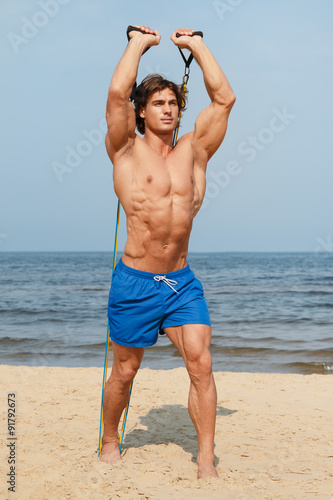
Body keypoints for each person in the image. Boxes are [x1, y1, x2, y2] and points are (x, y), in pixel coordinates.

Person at [101, 25, 235, 479]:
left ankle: (204, 460)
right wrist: (138, 43)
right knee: (124, 372)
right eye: (157, 103)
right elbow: (117, 94)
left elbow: (225, 101)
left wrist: (196, 47)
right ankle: (109, 440)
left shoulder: (195, 151)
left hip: (180, 281)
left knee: (202, 361)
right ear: (141, 112)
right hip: (135, 281)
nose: (168, 109)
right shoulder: (125, 150)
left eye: (173, 103)